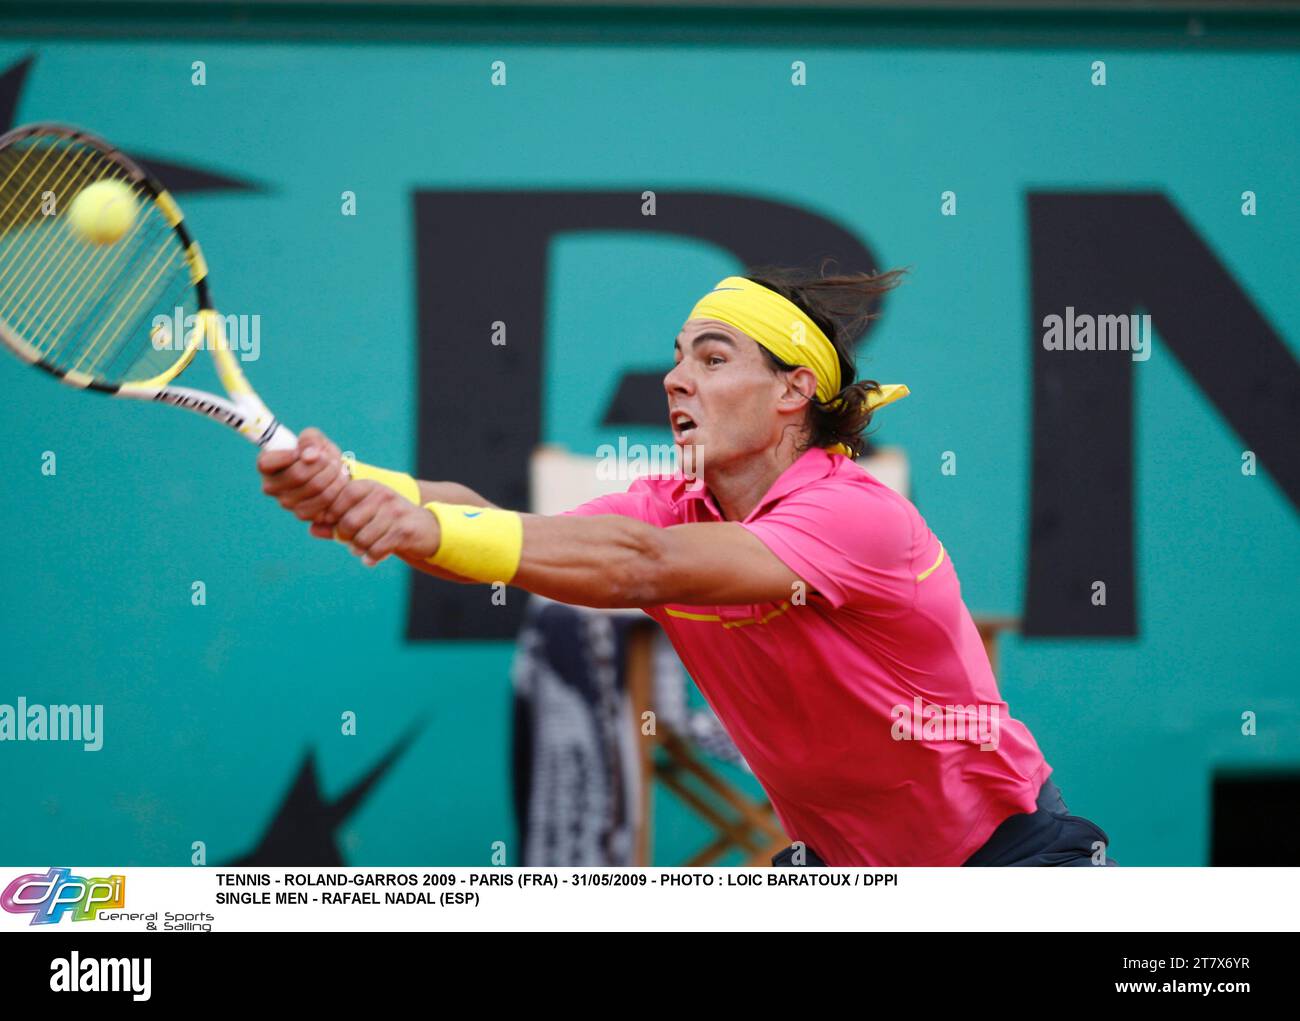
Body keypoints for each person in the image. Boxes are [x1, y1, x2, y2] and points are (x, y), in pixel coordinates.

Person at [256, 265, 1115, 867]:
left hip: (1001, 865)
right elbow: (512, 528)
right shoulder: (674, 501)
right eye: (677, 357)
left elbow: (641, 567)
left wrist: (416, 524)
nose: (674, 379)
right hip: (843, 873)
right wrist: (361, 486)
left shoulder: (855, 512)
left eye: (711, 358)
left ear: (793, 393)